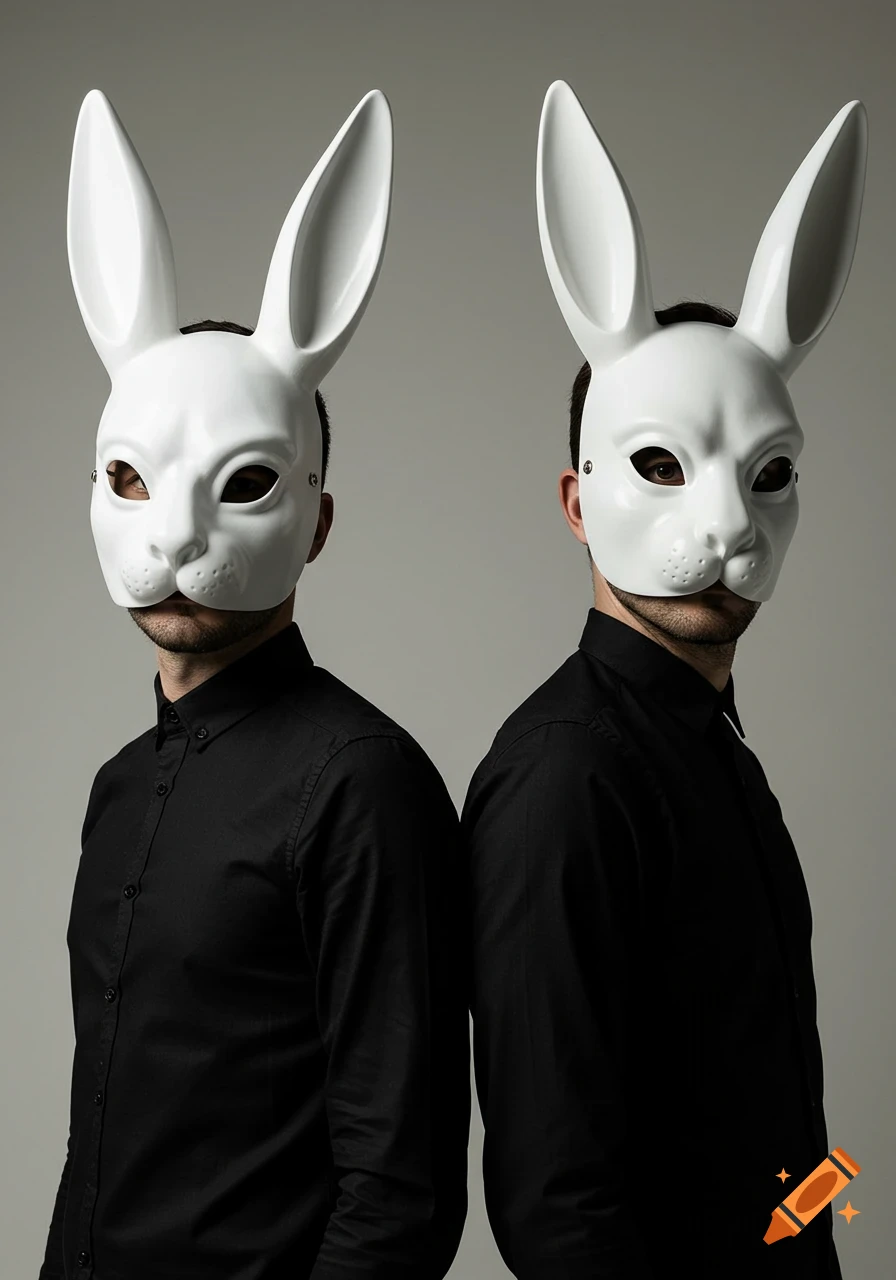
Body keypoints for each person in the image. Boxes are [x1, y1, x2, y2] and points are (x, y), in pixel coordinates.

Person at [40, 88, 468, 1280]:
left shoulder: (362, 786)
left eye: (241, 486)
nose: (174, 536)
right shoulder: (119, 787)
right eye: (130, 480)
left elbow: (400, 1181)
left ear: (317, 522)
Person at [464, 81, 866, 1279]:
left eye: (767, 474)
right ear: (577, 504)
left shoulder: (711, 752)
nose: (725, 525)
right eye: (659, 466)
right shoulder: (566, 775)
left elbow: (771, 1122)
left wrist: (821, 1230)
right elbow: (552, 1194)